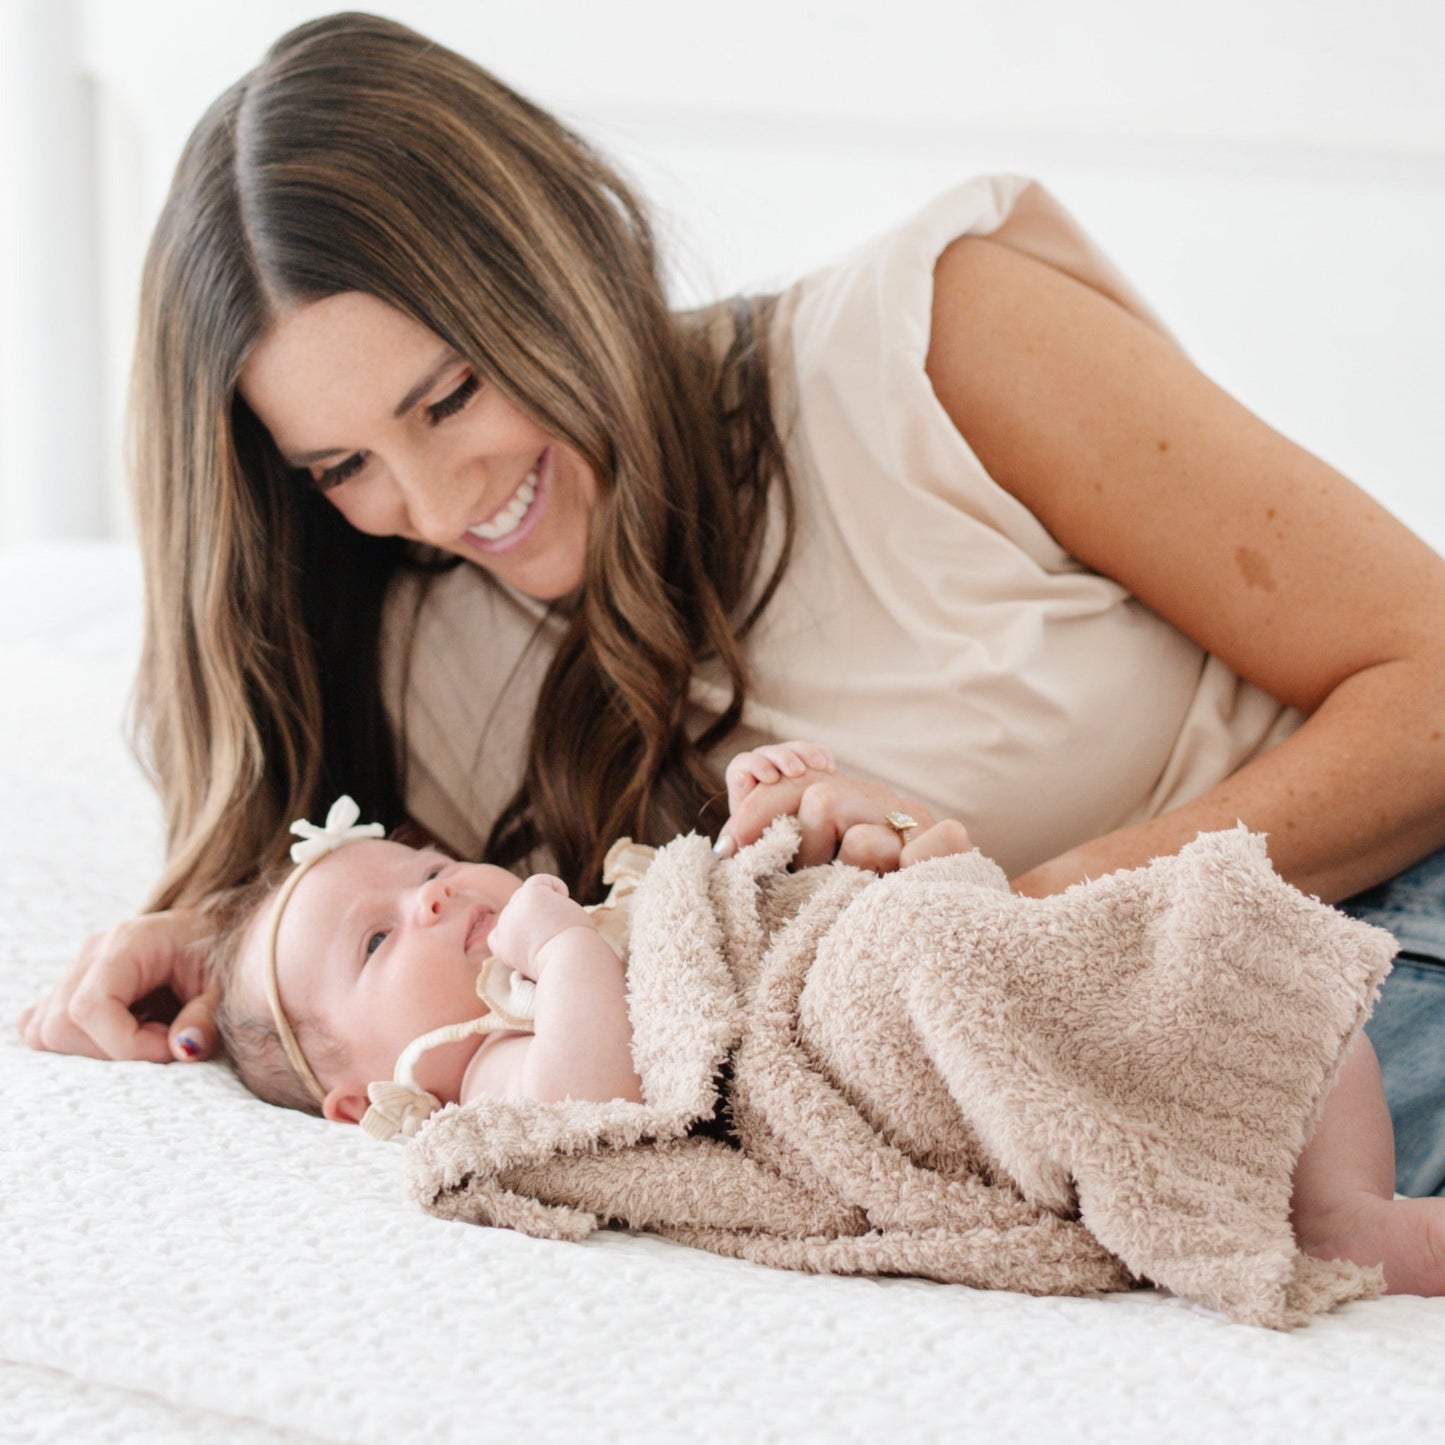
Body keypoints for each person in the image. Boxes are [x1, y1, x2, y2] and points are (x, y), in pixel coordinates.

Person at [17, 14, 1445, 1193]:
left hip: (1366, 939)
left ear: (552, 263)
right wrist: (208, 935)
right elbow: (374, 964)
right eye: (343, 466)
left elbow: (1428, 675)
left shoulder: (931, 345)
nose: (442, 507)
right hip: (1078, 1126)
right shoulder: (407, 653)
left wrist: (1020, 921)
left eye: (451, 396)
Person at [216, 742, 1444, 1298]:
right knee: (954, 973)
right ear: (354, 1089)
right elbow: (598, 1102)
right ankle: (1335, 1226)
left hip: (860, 963)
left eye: (419, 865)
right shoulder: (474, 1071)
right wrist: (562, 948)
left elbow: (744, 927)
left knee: (1219, 938)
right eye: (378, 940)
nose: (429, 897)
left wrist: (771, 826)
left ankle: (1344, 1204)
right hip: (861, 1048)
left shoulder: (601, 921)